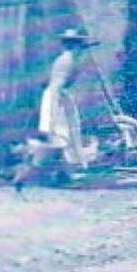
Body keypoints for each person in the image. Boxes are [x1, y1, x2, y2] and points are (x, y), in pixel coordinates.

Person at [38, 28, 96, 168]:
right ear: (72, 45)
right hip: (55, 97)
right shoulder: (66, 61)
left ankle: (76, 163)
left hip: (62, 96)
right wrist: (52, 114)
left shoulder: (73, 60)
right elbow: (55, 88)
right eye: (78, 45)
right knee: (60, 133)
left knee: (72, 129)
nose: (81, 49)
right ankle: (57, 167)